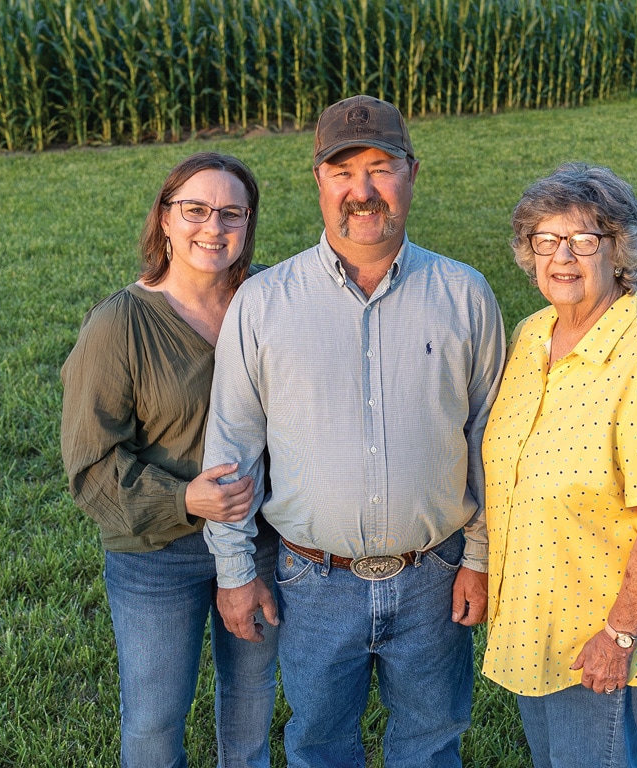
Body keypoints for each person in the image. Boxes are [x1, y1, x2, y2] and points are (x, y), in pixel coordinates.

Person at [201, 95, 506, 768]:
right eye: (343, 172)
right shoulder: (264, 302)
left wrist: (479, 559)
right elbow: (232, 448)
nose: (362, 191)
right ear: (318, 181)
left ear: (412, 173)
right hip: (312, 583)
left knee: (430, 745)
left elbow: (491, 443)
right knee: (318, 745)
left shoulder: (465, 295)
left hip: (436, 576)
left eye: (380, 168)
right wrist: (233, 571)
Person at [481, 162, 637, 768]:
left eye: (584, 241)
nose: (563, 258)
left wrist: (619, 635)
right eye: (546, 241)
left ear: (620, 251)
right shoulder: (531, 337)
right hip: (534, 620)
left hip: (598, 637)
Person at [60, 152, 279, 768]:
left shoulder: (269, 301)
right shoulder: (119, 325)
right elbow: (90, 464)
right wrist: (186, 498)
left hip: (259, 538)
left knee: (251, 708)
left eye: (231, 213)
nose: (213, 227)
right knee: (155, 722)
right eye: (195, 210)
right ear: (164, 218)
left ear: (248, 224)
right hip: (157, 554)